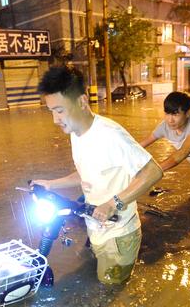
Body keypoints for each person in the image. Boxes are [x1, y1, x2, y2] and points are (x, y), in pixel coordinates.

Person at [31, 66, 163, 285]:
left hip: (119, 235)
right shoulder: (76, 133)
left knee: (110, 293)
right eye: (51, 111)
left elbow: (153, 171)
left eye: (60, 110)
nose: (55, 119)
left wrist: (114, 203)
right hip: (96, 228)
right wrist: (51, 184)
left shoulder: (110, 135)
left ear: (82, 102)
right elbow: (86, 172)